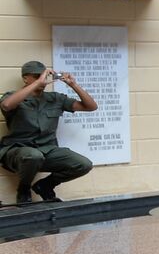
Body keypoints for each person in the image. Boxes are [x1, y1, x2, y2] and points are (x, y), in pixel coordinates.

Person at [0, 61, 96, 205]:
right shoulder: (14, 96)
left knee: (83, 164)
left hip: (47, 150)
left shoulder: (55, 99)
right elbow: (7, 105)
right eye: (37, 76)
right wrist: (37, 82)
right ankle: (24, 189)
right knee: (33, 156)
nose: (43, 79)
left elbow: (91, 106)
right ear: (26, 78)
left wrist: (73, 85)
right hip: (17, 150)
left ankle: (45, 186)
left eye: (43, 75)